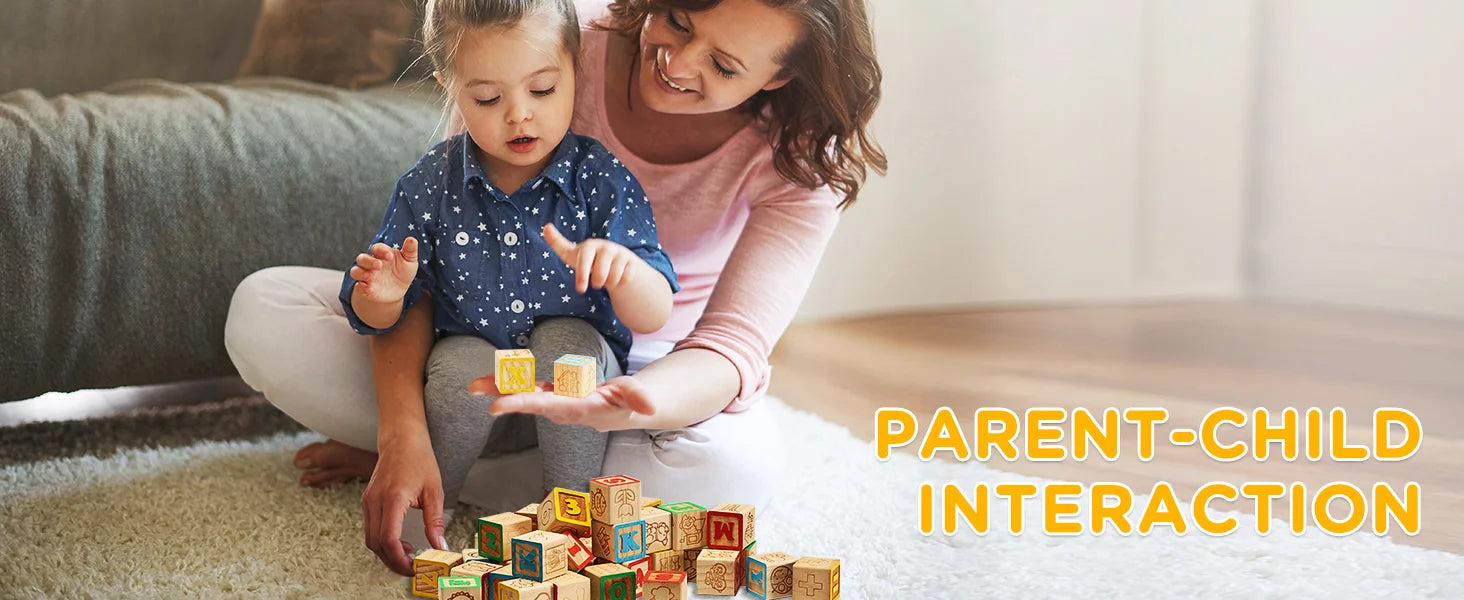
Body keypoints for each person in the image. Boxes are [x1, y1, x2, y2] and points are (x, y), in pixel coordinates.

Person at [224, 0, 886, 577]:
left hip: (648, 365)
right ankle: (439, 454)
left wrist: (628, 404)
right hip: (469, 346)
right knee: (264, 309)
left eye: (725, 66)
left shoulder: (803, 161)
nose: (679, 65)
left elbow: (731, 349)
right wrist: (401, 431)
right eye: (678, 23)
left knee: (730, 476)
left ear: (782, 76)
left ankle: (490, 473)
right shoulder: (548, 41)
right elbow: (430, 266)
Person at [340, 0, 678, 565]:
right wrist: (383, 296)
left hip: (575, 375)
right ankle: (432, 510)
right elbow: (378, 318)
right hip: (477, 369)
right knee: (455, 371)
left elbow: (653, 314)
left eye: (542, 90)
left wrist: (624, 269)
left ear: (577, 68)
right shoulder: (430, 183)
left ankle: (566, 521)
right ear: (450, 85)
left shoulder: (601, 178)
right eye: (489, 99)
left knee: (566, 349)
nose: (519, 116)